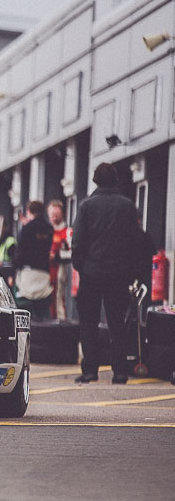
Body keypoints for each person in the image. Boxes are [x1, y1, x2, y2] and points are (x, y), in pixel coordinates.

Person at [71, 163, 141, 385]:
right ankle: (120, 372)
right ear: (115, 180)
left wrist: (81, 267)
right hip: (119, 274)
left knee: (88, 323)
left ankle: (90, 370)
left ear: (95, 180)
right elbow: (135, 242)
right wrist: (131, 272)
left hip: (91, 273)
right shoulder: (127, 206)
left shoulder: (86, 206)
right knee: (117, 324)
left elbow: (78, 242)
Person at [14, 200, 54, 321]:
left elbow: (20, 251)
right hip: (44, 272)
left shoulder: (27, 228)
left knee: (25, 307)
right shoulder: (49, 229)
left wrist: (14, 270)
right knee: (42, 308)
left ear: (29, 211)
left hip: (28, 272)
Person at [47, 200, 71, 320]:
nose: (54, 218)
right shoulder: (46, 231)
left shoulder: (67, 232)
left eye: (56, 215)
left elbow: (72, 253)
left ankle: (61, 323)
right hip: (47, 272)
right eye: (52, 215)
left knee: (59, 299)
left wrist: (56, 256)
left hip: (61, 271)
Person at [0, 214, 17, 287]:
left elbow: (15, 261)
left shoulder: (10, 241)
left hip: (5, 276)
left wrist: (11, 275)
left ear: (4, 227)